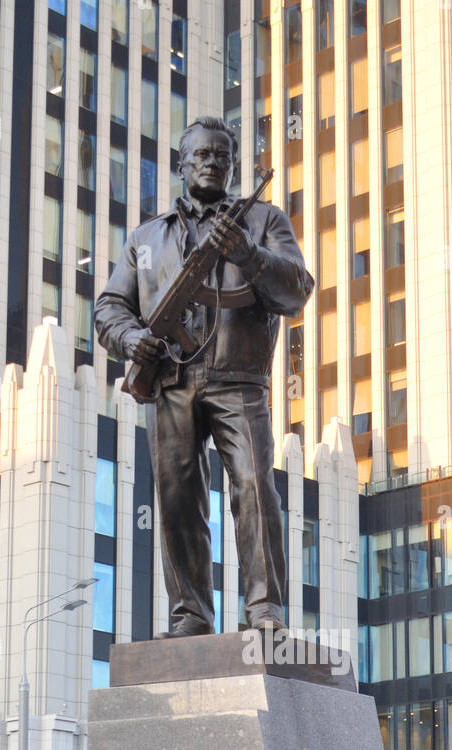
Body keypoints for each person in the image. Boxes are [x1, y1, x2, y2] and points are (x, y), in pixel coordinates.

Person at [95, 116, 314, 637]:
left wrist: (247, 253)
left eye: (222, 155)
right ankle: (191, 612)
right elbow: (108, 307)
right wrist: (132, 340)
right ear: (180, 164)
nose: (212, 162)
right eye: (201, 155)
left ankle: (264, 610)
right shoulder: (147, 238)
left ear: (233, 165)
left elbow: (297, 290)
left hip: (239, 378)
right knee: (176, 497)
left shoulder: (262, 220)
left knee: (255, 485)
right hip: (171, 381)